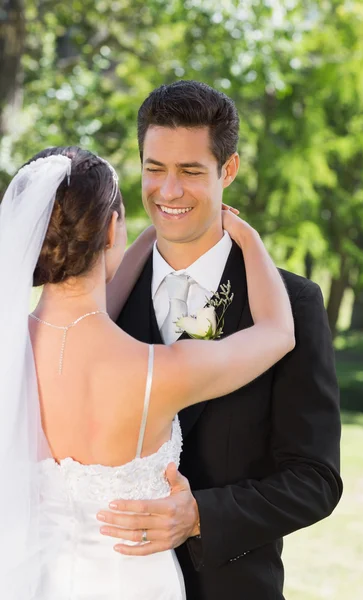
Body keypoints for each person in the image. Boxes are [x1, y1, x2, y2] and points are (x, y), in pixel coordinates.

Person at [0, 145, 295, 599]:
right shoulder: (156, 372)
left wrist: (144, 239)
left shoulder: (10, 350)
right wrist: (243, 233)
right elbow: (278, 333)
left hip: (42, 582)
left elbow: (88, 308)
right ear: (111, 227)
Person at [102, 80, 343, 600]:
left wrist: (200, 517)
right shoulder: (100, 302)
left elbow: (315, 479)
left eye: (190, 171)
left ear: (227, 169)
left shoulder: (293, 304)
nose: (168, 192)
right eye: (154, 168)